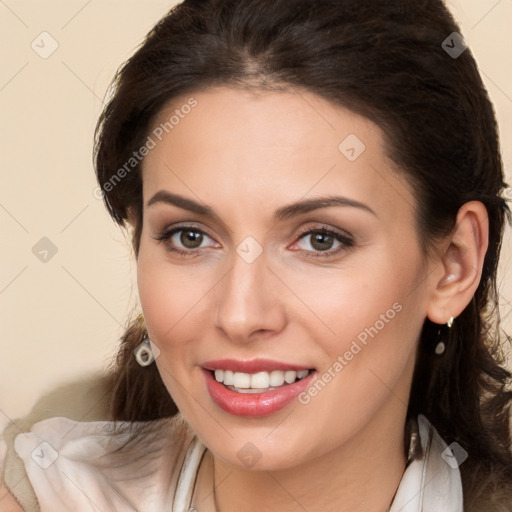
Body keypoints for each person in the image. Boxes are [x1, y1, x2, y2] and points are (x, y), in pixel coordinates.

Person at [2, 0, 512, 510]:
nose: (240, 315)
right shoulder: (41, 491)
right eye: (190, 236)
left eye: (320, 239)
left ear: (454, 264)